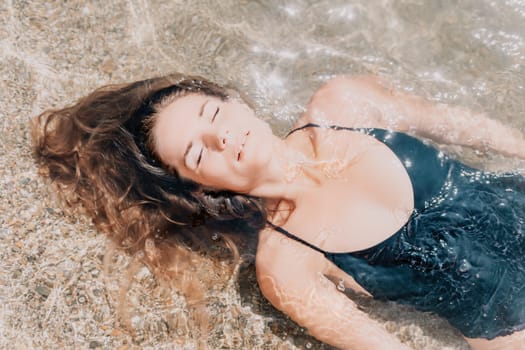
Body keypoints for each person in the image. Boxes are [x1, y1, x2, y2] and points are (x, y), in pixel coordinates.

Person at [32, 73, 525, 350]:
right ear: (199, 189)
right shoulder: (286, 264)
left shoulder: (345, 103)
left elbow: (469, 128)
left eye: (212, 113)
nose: (221, 136)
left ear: (235, 100)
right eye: (199, 154)